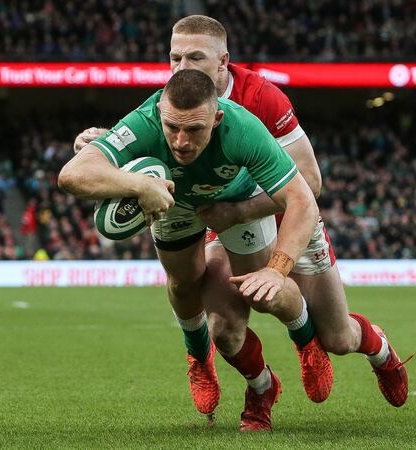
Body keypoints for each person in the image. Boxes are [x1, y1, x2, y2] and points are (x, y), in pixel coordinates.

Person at [73, 14, 411, 414]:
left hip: (274, 207)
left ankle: (379, 352)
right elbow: (149, 138)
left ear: (223, 61)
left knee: (338, 337)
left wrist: (240, 211)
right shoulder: (174, 104)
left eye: (194, 58)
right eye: (174, 58)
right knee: (224, 325)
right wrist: (106, 151)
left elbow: (310, 185)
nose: (182, 69)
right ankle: (255, 387)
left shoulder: (260, 99)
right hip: (213, 210)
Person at [59, 69, 323, 431]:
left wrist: (277, 269)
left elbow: (303, 200)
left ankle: (305, 337)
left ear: (216, 118)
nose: (181, 141)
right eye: (172, 128)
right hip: (174, 199)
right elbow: (71, 174)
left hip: (236, 199)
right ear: (159, 113)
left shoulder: (243, 128)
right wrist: (139, 184)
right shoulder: (145, 119)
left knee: (265, 293)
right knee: (189, 289)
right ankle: (203, 359)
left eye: (195, 130)